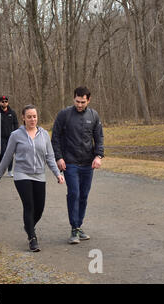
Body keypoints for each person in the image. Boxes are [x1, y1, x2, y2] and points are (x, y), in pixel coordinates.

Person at [0, 104, 65, 252]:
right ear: (23, 118)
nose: (32, 119)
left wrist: (58, 174)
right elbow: (7, 157)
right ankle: (32, 238)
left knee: (40, 208)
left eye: (35, 116)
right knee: (29, 205)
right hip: (22, 174)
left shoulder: (44, 135)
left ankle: (28, 226)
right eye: (29, 117)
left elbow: (50, 157)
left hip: (39, 174)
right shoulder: (16, 135)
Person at [51, 86, 104, 245]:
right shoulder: (64, 115)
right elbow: (55, 138)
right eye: (77, 101)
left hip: (88, 163)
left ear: (88, 100)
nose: (79, 105)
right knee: (74, 193)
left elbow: (99, 138)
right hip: (70, 162)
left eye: (82, 102)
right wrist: (59, 158)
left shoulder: (94, 116)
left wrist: (98, 156)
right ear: (73, 98)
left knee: (84, 195)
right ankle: (74, 228)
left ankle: (79, 225)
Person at [0, 96, 19, 177]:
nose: (4, 103)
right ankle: (1, 170)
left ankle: (10, 171)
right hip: (1, 137)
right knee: (3, 153)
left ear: (8, 102)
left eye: (6, 101)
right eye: (3, 101)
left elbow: (16, 124)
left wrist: (16, 133)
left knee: (10, 153)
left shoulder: (12, 113)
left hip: (11, 136)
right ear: (0, 102)